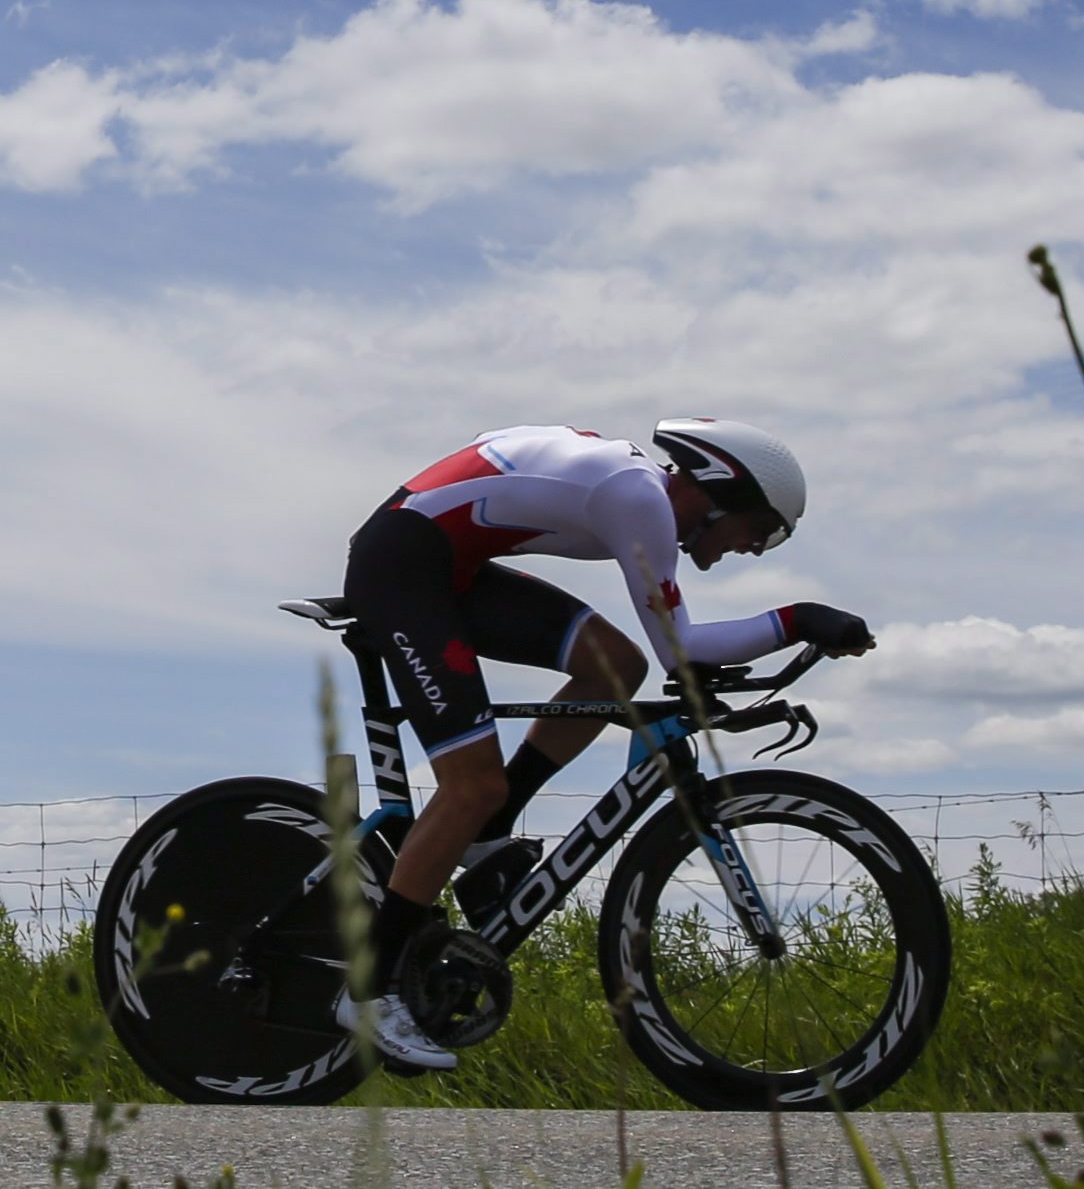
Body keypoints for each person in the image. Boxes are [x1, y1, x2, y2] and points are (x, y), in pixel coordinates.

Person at [332, 417, 874, 1070]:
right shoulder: (637, 498)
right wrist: (801, 618)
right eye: (758, 531)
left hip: (449, 563)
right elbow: (684, 647)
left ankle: (485, 834)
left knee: (614, 668)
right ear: (718, 491)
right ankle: (369, 990)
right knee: (471, 784)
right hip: (404, 564)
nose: (754, 549)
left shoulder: (642, 497)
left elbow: (671, 651)